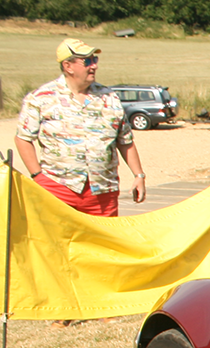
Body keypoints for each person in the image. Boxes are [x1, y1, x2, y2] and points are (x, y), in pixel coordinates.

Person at [15, 39, 148, 217]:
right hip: (58, 190)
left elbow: (125, 141)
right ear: (68, 66)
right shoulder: (41, 98)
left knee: (101, 243)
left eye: (95, 60)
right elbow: (23, 138)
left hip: (102, 192)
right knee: (57, 243)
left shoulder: (109, 98)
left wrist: (139, 175)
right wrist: (37, 176)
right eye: (87, 61)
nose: (94, 66)